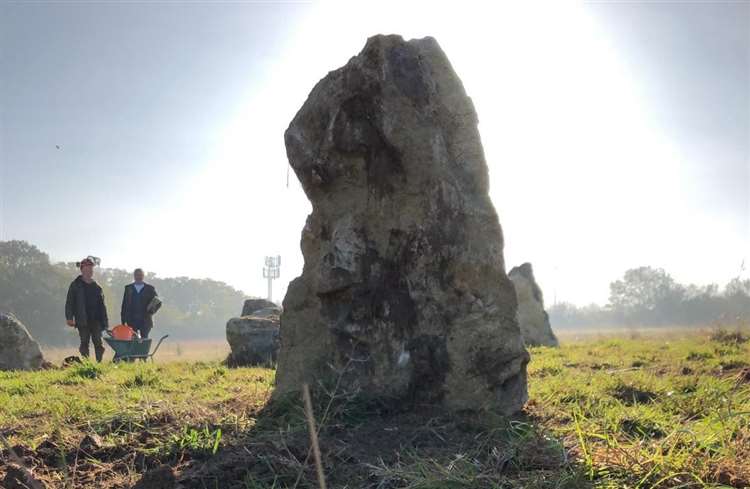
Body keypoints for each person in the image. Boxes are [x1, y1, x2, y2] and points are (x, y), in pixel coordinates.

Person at [65, 257, 108, 362]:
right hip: (82, 319)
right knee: (84, 342)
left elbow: (102, 306)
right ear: (82, 269)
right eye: (87, 268)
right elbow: (69, 303)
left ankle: (99, 363)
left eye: (91, 269)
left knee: (98, 342)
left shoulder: (97, 287)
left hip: (96, 320)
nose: (89, 271)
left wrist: (105, 322)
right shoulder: (75, 285)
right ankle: (86, 363)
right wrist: (69, 318)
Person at [121, 268, 158, 338]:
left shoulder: (150, 288)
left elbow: (157, 302)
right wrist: (123, 321)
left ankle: (143, 349)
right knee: (132, 340)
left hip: (145, 320)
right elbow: (124, 305)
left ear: (143, 276)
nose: (138, 277)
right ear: (134, 276)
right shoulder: (128, 288)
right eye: (137, 275)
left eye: (140, 275)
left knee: (144, 340)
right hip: (131, 320)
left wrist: (151, 311)